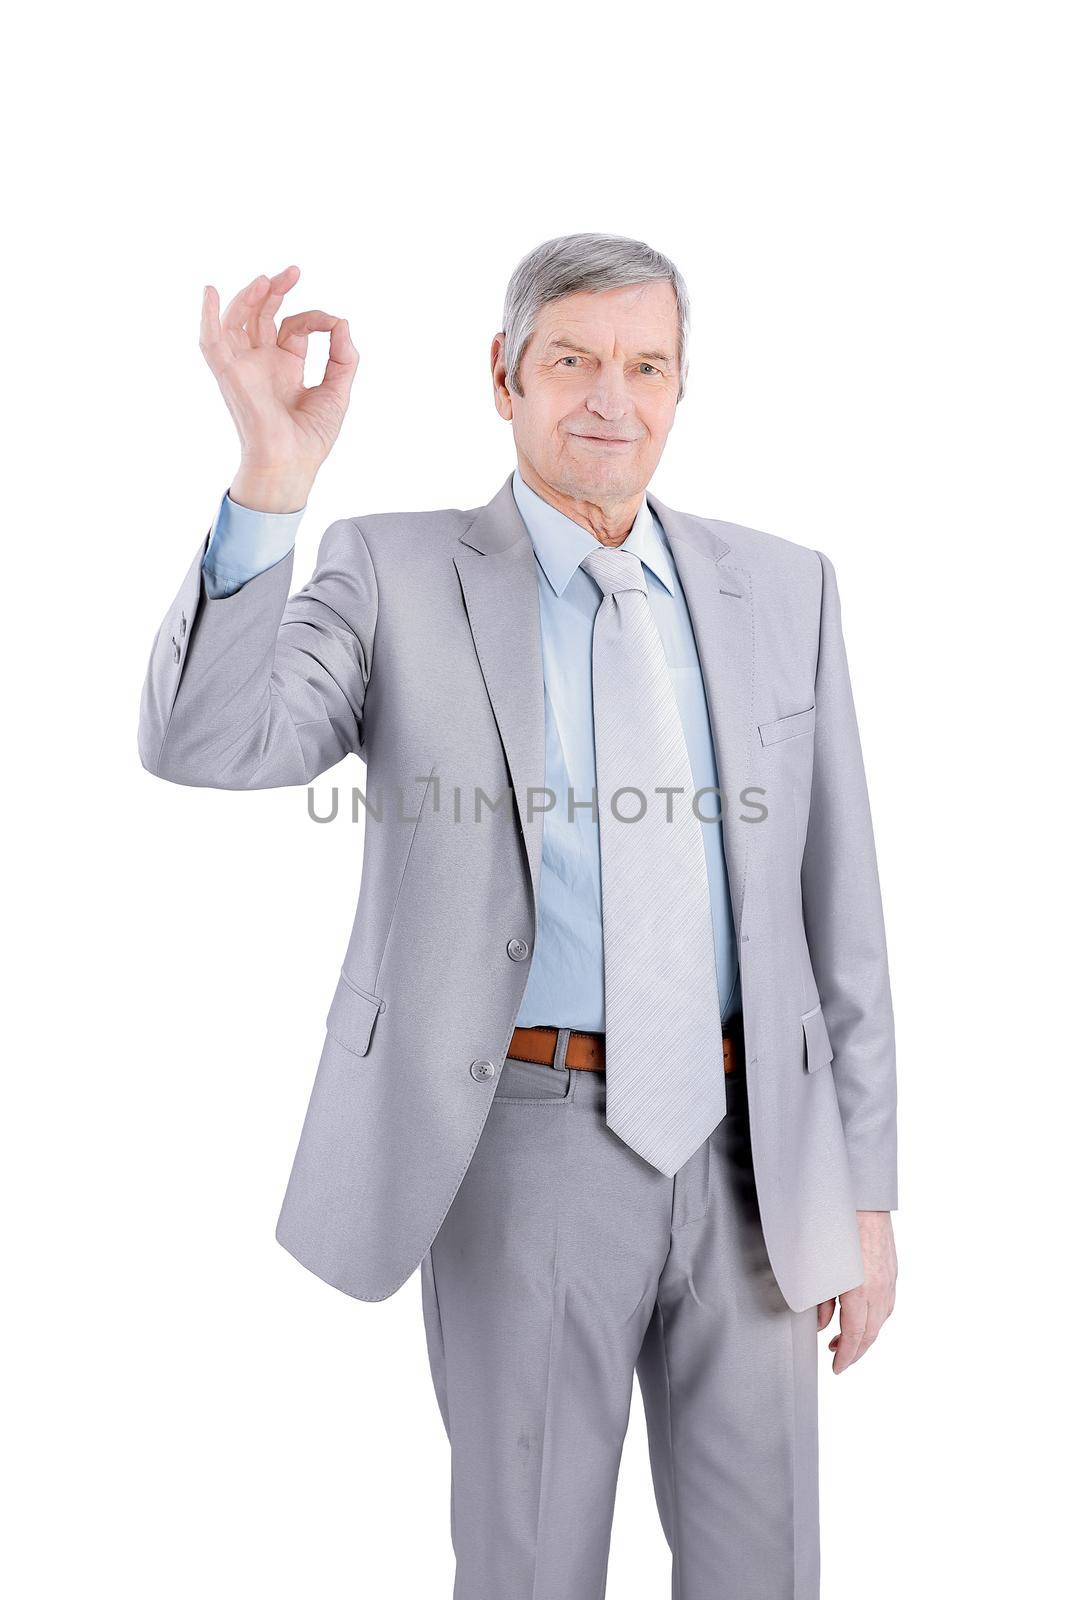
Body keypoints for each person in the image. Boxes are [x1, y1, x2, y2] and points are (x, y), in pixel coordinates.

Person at [139, 232, 898, 1598]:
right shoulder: (395, 571)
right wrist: (273, 480)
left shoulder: (787, 589)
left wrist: (869, 1195)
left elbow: (841, 923)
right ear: (505, 375)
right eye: (574, 362)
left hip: (758, 1168)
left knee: (767, 1571)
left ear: (681, 387)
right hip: (528, 1144)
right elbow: (211, 739)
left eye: (647, 365)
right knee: (532, 1566)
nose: (614, 396)